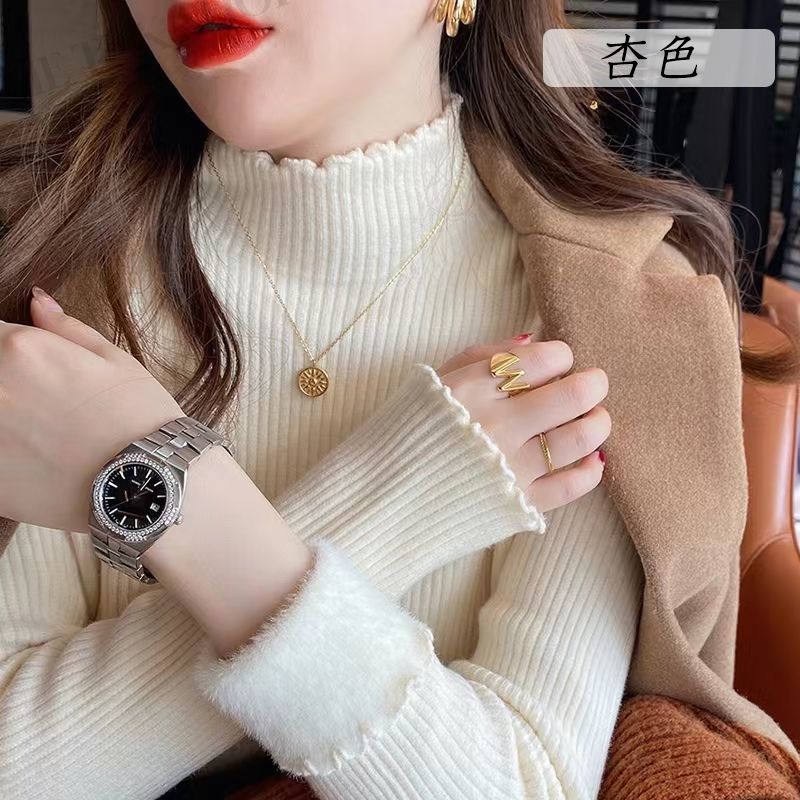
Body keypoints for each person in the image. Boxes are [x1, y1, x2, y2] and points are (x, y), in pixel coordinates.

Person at [0, 2, 796, 799]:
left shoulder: (602, 309)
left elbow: (526, 786)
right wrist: (414, 490)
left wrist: (169, 495)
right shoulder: (43, 258)